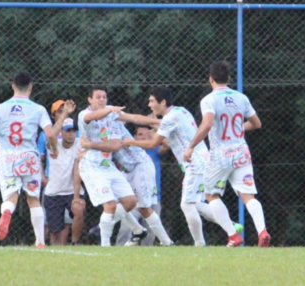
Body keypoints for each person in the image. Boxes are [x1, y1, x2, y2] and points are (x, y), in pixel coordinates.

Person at [125, 87, 244, 246]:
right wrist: (155, 127)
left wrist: (129, 142)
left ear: (163, 102)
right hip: (203, 160)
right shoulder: (181, 111)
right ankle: (230, 226)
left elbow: (154, 143)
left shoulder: (170, 118)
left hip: (194, 164)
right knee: (197, 204)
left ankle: (200, 244)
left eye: (152, 101)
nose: (149, 105)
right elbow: (171, 139)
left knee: (186, 205)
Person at [183, 61, 269, 247]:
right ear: (229, 78)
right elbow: (256, 124)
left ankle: (233, 235)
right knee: (248, 196)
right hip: (241, 152)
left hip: (220, 154)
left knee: (211, 195)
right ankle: (262, 231)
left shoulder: (209, 100)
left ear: (211, 79)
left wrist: (191, 147)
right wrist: (238, 130)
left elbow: (206, 124)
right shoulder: (241, 98)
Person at [76, 86, 161, 247]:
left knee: (130, 202)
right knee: (110, 205)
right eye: (98, 97)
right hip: (92, 166)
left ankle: (132, 230)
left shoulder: (110, 112)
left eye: (104, 97)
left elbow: (134, 119)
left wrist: (158, 121)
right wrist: (110, 111)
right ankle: (105, 245)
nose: (102, 100)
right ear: (89, 100)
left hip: (108, 166)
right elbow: (94, 115)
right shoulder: (85, 114)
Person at [0, 72, 58, 248]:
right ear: (30, 87)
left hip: (8, 158)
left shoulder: (0, 108)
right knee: (33, 198)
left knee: (11, 196)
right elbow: (49, 134)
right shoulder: (38, 109)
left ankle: (7, 211)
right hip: (29, 159)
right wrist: (54, 149)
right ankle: (40, 241)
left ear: (12, 86)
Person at [115, 125, 169, 246]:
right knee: (126, 230)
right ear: (133, 137)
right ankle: (118, 253)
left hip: (154, 198)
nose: (144, 136)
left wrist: (156, 132)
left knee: (150, 234)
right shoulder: (127, 152)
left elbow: (167, 145)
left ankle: (146, 258)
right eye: (140, 134)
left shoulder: (153, 149)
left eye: (146, 133)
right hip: (133, 198)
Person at [38, 100, 80, 244]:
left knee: (77, 211)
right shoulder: (52, 142)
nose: (71, 134)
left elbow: (77, 169)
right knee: (53, 229)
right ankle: (50, 249)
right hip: (53, 188)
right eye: (68, 131)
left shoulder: (78, 143)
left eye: (73, 131)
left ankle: (74, 244)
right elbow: (50, 138)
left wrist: (76, 194)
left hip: (69, 189)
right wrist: (42, 177)